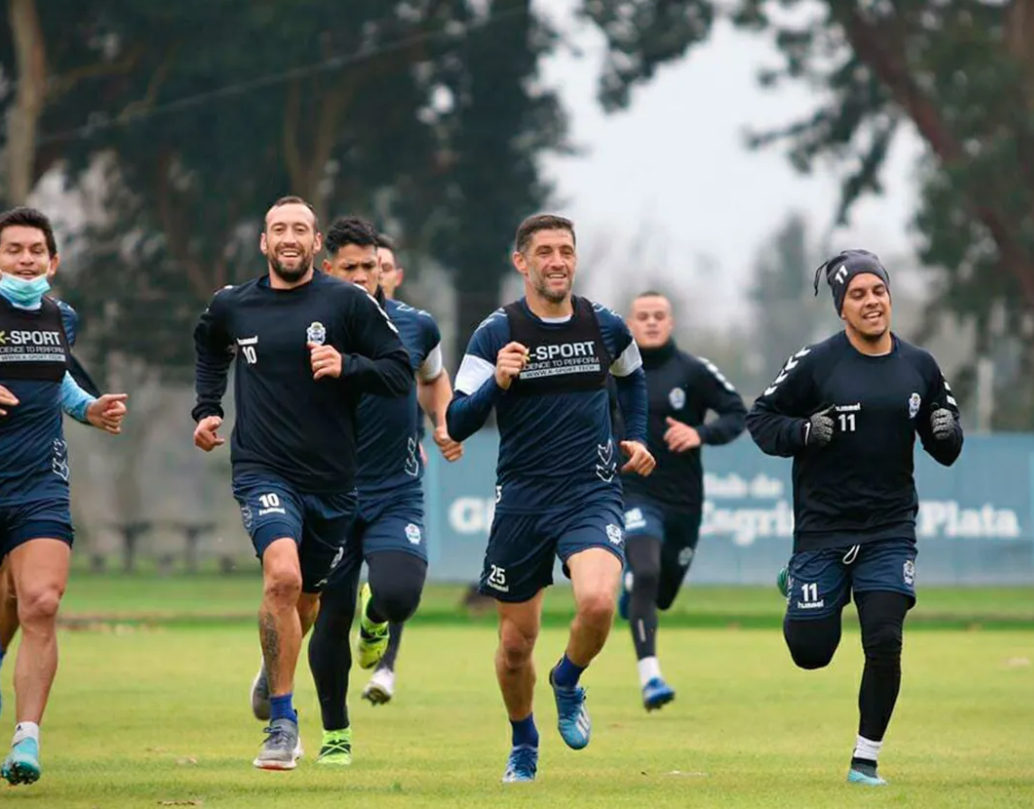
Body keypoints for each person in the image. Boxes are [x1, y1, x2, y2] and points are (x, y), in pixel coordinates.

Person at [192, 196, 413, 771]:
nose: (289, 238)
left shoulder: (349, 303)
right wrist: (207, 408)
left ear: (317, 245)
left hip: (334, 482)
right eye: (277, 229)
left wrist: (348, 365)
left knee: (306, 600)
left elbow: (398, 370)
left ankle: (272, 670)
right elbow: (209, 346)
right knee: (282, 578)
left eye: (300, 230)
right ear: (264, 243)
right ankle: (284, 725)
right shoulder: (233, 305)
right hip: (263, 469)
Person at [446, 213, 655, 783]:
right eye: (544, 252)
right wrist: (499, 381)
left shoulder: (603, 324)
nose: (557, 261)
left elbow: (634, 377)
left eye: (565, 250)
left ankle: (567, 679)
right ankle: (523, 740)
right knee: (515, 647)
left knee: (596, 602)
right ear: (522, 262)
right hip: (522, 502)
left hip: (591, 492)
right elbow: (456, 421)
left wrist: (634, 435)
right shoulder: (496, 332)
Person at [746, 249, 962, 787]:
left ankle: (865, 759)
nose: (871, 302)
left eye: (878, 291)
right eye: (858, 295)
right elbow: (761, 418)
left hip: (890, 529)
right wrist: (801, 433)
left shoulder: (920, 365)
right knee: (811, 653)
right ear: (842, 308)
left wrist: (945, 429)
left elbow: (948, 445)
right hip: (822, 530)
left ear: (890, 296)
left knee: (885, 638)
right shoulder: (817, 362)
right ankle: (798, 583)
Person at [305, 218, 462, 765]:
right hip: (329, 494)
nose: (361, 276)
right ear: (328, 269)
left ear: (385, 271)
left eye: (370, 266)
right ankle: (335, 734)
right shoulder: (312, 327)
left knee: (397, 595)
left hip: (396, 489)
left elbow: (433, 377)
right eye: (348, 267)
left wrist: (443, 422)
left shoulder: (415, 326)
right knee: (329, 618)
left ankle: (376, 621)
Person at [0, 206, 128, 785]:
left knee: (42, 602)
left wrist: (89, 409)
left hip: (38, 482)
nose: (24, 259)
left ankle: (27, 740)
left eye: (34, 250)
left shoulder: (60, 317)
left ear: (53, 260)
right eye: (12, 249)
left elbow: (61, 380)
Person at [618, 290, 746, 709]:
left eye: (659, 315)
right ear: (630, 324)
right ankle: (650, 676)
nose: (651, 322)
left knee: (661, 592)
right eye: (643, 316)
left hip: (684, 503)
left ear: (670, 323)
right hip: (634, 494)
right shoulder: (612, 372)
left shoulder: (693, 371)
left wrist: (700, 433)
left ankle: (634, 588)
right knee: (648, 570)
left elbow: (736, 413)